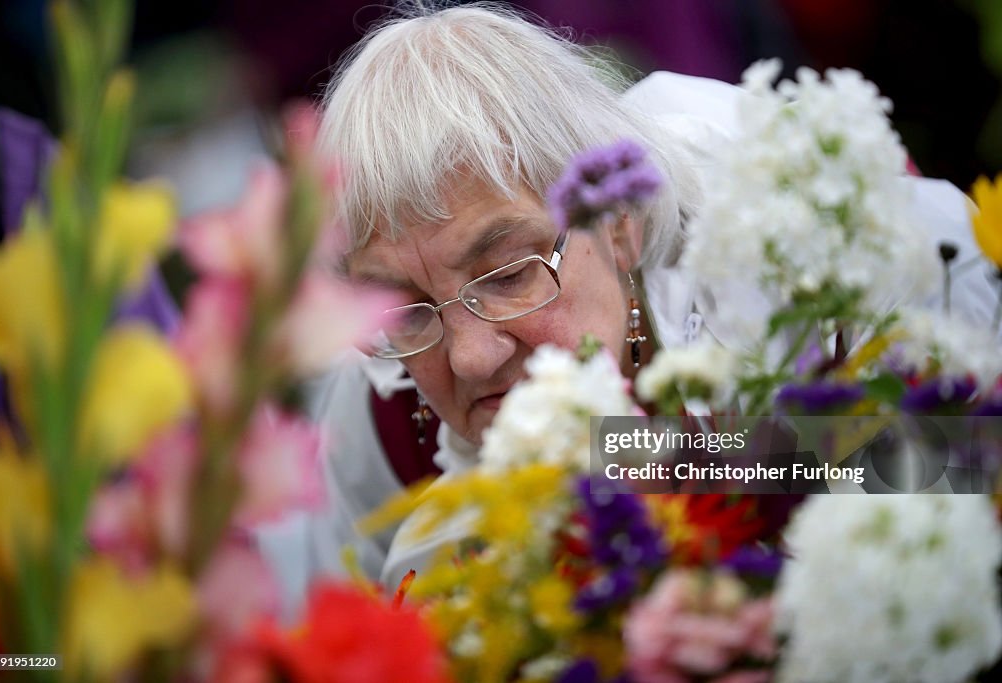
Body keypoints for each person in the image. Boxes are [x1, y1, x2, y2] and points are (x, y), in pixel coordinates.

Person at [254, 4, 999, 612]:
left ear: (620, 223)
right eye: (407, 307)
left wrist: (644, 454)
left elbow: (971, 454)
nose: (471, 356)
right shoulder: (384, 414)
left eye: (509, 272)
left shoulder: (791, 226)